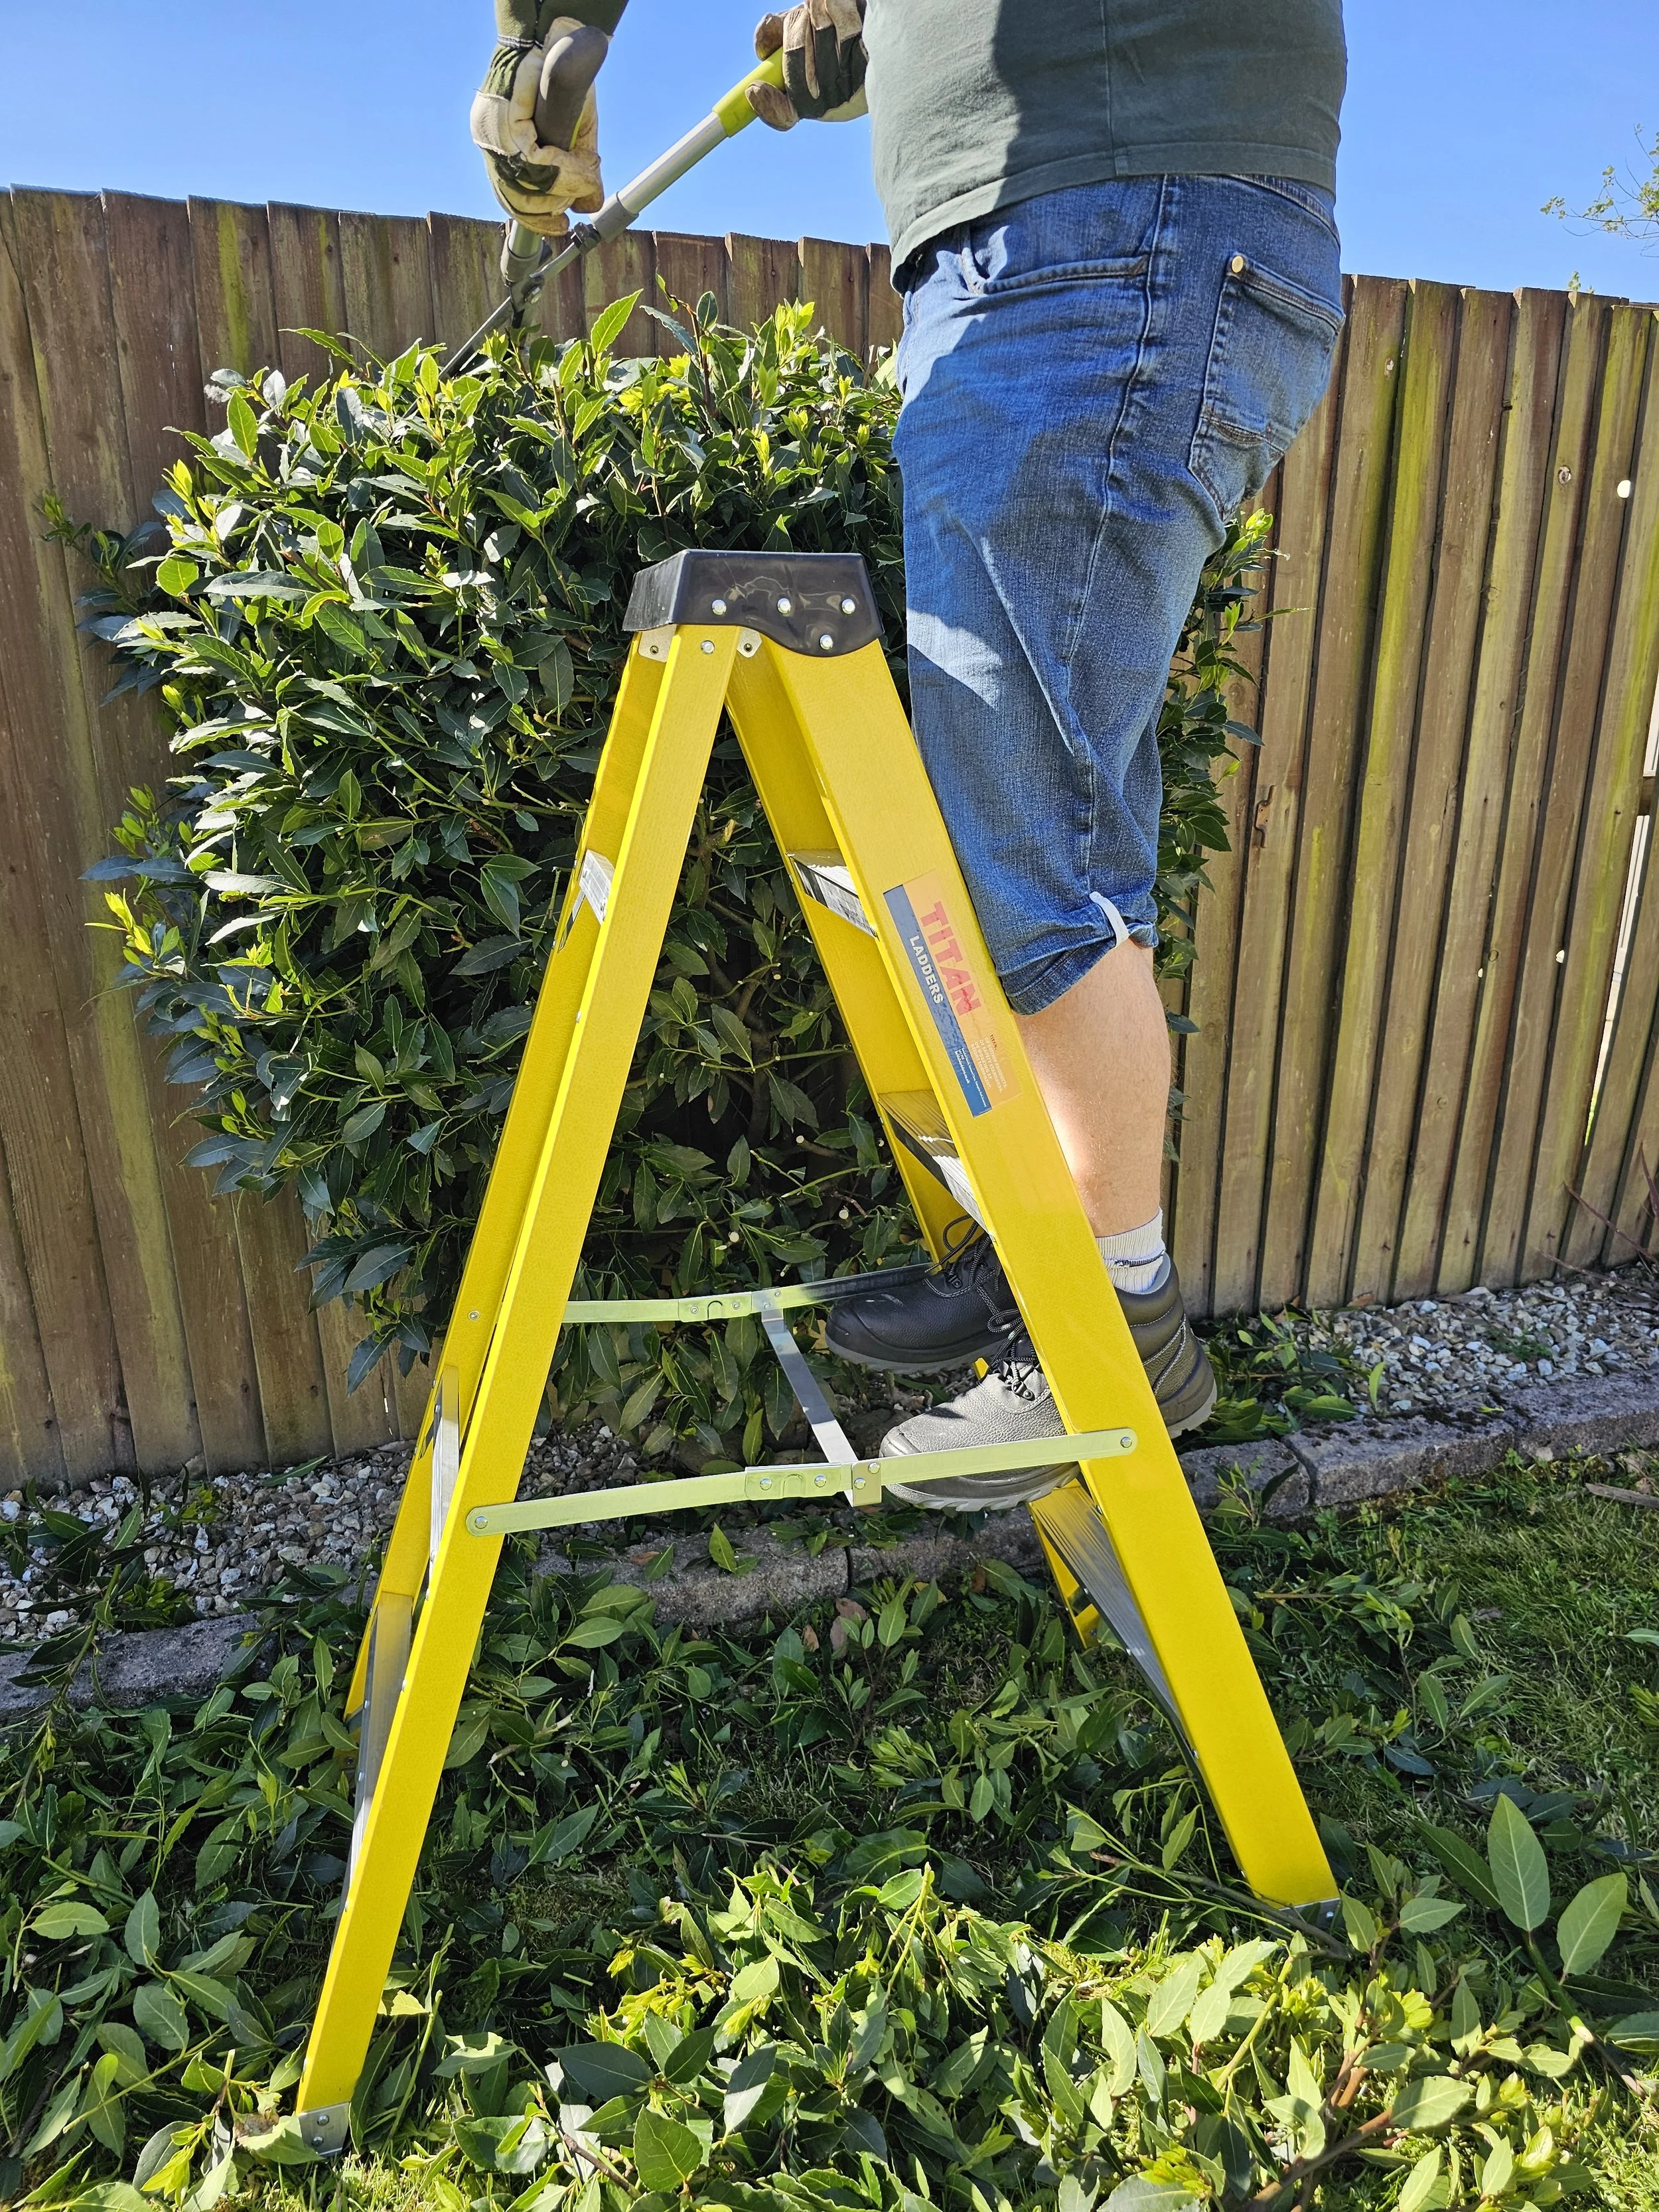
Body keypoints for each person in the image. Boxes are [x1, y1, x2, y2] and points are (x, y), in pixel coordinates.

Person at [472, 1, 1347, 1511]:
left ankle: (1109, 1331)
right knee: (1057, 833)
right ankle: (1051, 1268)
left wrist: (542, 40)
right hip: (1080, 246)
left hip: (1102, 230)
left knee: (1032, 868)